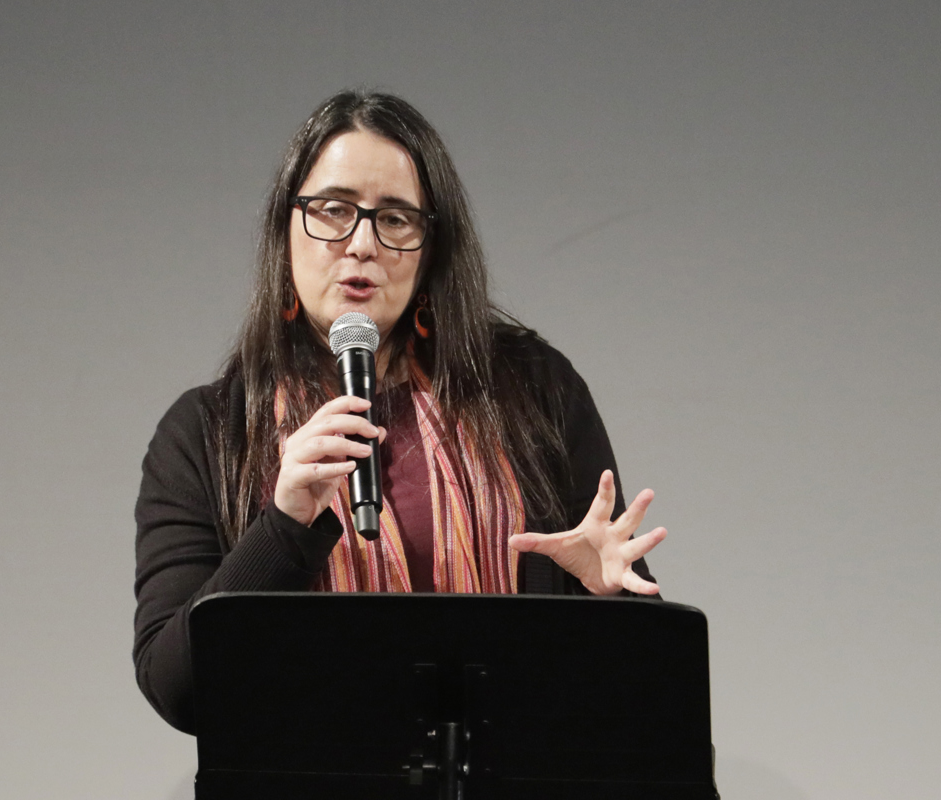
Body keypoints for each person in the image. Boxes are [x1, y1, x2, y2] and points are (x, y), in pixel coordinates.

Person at [133, 90, 666, 733]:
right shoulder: (207, 432)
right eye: (332, 211)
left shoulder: (532, 389)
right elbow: (177, 689)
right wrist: (284, 525)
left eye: (395, 219)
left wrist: (607, 598)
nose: (361, 244)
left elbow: (647, 681)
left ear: (431, 248)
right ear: (285, 230)